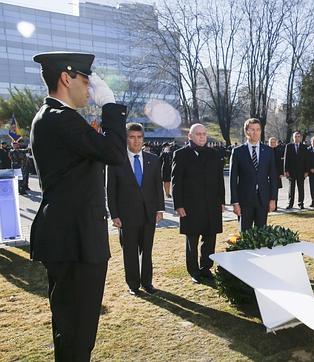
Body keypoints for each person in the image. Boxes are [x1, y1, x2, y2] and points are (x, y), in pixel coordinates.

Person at [29, 52, 126, 361]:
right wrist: (109, 105)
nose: (90, 88)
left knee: (74, 332)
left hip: (73, 238)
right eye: (86, 80)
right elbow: (114, 152)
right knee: (76, 334)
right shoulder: (60, 118)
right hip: (74, 241)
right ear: (66, 78)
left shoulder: (56, 118)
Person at [107, 122, 164, 296]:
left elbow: (157, 186)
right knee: (130, 251)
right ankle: (133, 285)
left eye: (139, 137)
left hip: (149, 214)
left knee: (147, 251)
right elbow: (110, 189)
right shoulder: (116, 161)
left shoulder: (153, 159)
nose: (136, 141)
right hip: (126, 215)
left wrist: (160, 209)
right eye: (132, 137)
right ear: (126, 139)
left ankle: (147, 282)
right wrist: (114, 214)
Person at [172, 123, 225, 284]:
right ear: (190, 136)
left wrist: (221, 201)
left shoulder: (214, 154)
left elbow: (219, 180)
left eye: (204, 134)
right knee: (192, 241)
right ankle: (194, 271)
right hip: (190, 206)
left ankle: (206, 268)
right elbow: (176, 182)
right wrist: (178, 205)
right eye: (198, 134)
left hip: (211, 205)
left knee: (210, 238)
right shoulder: (180, 155)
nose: (202, 136)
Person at [230, 119, 278, 230]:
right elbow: (233, 179)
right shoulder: (238, 152)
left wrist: (273, 199)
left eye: (258, 130)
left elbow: (273, 177)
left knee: (261, 234)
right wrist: (235, 202)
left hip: (263, 199)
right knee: (245, 234)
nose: (255, 133)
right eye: (252, 130)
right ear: (246, 131)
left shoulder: (268, 151)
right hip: (244, 200)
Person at [284, 131, 309, 209]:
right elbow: (286, 159)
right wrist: (286, 170)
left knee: (301, 188)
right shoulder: (289, 146)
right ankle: (290, 203)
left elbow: (306, 160)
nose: (297, 138)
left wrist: (306, 171)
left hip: (301, 172)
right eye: (295, 137)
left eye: (298, 137)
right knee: (291, 189)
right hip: (291, 171)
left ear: (301, 138)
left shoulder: (304, 147)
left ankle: (301, 203)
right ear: (293, 138)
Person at [268, 137, 284, 201]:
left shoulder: (279, 151)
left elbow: (281, 163)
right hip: (267, 174)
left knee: (275, 190)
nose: (272, 144)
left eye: (274, 142)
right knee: (267, 190)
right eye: (271, 142)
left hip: (276, 174)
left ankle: (275, 205)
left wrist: (281, 173)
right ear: (268, 143)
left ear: (276, 143)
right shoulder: (265, 151)